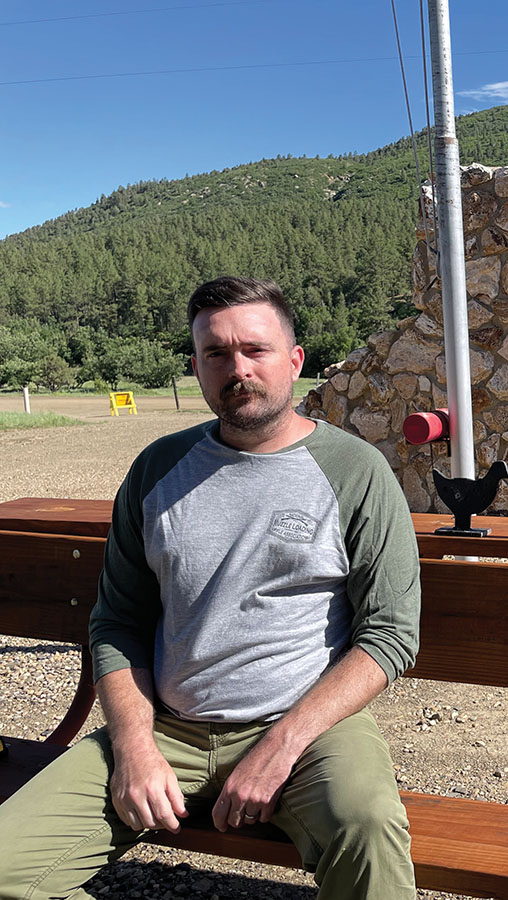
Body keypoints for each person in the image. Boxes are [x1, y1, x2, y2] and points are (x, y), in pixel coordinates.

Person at [0, 276, 421, 900]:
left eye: (256, 349)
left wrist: (280, 747)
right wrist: (135, 745)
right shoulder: (157, 469)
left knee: (368, 832)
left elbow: (390, 635)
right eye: (217, 354)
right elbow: (116, 622)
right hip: (167, 727)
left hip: (307, 732)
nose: (238, 368)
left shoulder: (356, 470)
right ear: (195, 365)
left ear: (295, 360)